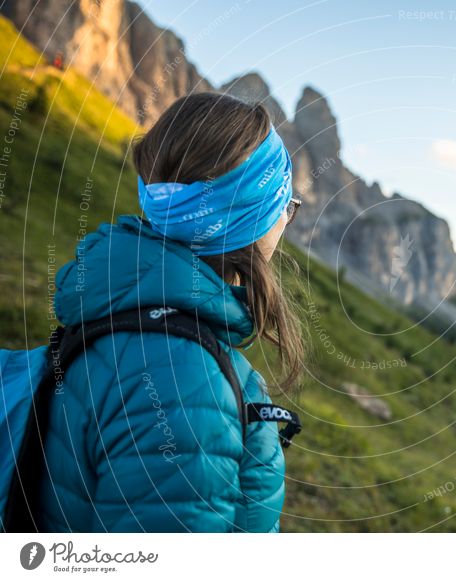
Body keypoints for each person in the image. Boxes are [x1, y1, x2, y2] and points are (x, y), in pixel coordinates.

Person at [36, 92, 305, 532]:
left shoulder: (115, 304)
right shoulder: (185, 384)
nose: (285, 222)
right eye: (285, 207)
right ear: (253, 217)